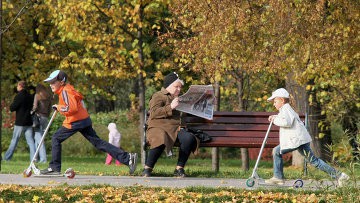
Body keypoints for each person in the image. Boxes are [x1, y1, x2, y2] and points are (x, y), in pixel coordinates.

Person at [40, 70, 137, 175]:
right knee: (98, 143)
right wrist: (59, 107)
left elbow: (71, 109)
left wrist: (58, 107)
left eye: (53, 82)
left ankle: (54, 167)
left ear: (62, 82)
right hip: (83, 120)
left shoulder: (65, 91)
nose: (50, 85)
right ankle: (128, 158)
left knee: (56, 138)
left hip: (75, 121)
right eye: (50, 82)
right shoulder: (66, 90)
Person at [265, 88, 350, 187]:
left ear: (282, 100)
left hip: (296, 141)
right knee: (314, 161)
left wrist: (274, 120)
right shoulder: (286, 109)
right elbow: (286, 119)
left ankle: (278, 177)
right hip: (299, 140)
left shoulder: (286, 109)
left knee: (276, 151)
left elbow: (286, 122)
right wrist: (275, 117)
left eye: (275, 101)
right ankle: (340, 176)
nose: (273, 104)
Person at [142, 72, 198, 177]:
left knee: (188, 138)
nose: (179, 89)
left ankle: (179, 169)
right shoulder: (158, 96)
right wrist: (170, 107)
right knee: (160, 138)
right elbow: (154, 113)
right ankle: (147, 168)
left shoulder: (180, 98)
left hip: (176, 128)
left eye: (180, 87)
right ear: (168, 86)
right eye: (176, 87)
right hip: (158, 127)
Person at [4, 81, 36, 161]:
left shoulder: (19, 96)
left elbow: (12, 108)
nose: (17, 87)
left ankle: (7, 158)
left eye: (17, 86)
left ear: (20, 86)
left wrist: (12, 105)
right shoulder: (30, 96)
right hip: (28, 121)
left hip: (20, 123)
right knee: (31, 142)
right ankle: (34, 159)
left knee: (14, 140)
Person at [32, 84, 52, 163]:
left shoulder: (37, 96)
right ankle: (36, 158)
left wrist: (31, 111)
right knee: (39, 139)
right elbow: (50, 108)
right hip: (45, 118)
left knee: (39, 138)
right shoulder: (48, 96)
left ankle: (43, 159)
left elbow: (35, 107)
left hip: (38, 117)